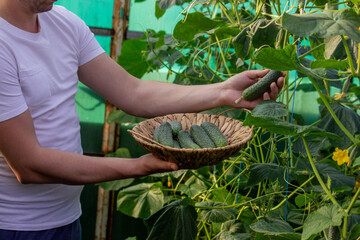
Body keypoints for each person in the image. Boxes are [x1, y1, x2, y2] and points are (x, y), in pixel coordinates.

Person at [0, 0, 285, 239]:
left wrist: (225, 91)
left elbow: (132, 92)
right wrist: (137, 166)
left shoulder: (64, 22)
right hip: (14, 227)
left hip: (67, 220)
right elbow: (28, 165)